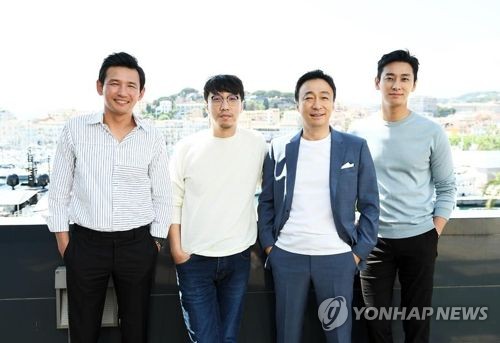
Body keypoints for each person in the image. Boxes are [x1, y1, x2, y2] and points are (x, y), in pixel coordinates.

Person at [46, 52, 172, 343]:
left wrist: (154, 243)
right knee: (83, 329)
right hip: (86, 245)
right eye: (114, 83)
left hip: (138, 245)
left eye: (131, 85)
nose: (122, 92)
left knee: (136, 328)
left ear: (141, 93)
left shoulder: (151, 136)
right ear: (100, 86)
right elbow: (58, 193)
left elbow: (163, 194)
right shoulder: (75, 130)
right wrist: (67, 246)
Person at [258, 70, 380, 343]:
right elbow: (266, 201)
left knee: (339, 337)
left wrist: (358, 253)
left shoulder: (355, 147)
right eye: (308, 97)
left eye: (324, 97)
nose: (317, 104)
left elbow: (371, 205)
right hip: (287, 255)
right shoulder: (278, 148)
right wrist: (270, 247)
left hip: (337, 258)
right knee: (286, 335)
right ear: (297, 104)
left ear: (333, 103)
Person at [351, 49, 457, 343]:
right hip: (373, 241)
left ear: (413, 85)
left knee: (417, 322)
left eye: (404, 78)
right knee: (375, 325)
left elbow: (447, 186)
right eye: (390, 78)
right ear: (377, 82)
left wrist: (433, 231)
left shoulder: (432, 131)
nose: (396, 84)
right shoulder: (359, 132)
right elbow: (347, 189)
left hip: (420, 239)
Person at [168, 74, 267, 342]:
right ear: (206, 105)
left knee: (229, 338)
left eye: (232, 99)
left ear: (242, 105)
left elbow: (270, 192)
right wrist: (177, 251)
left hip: (238, 257)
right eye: (217, 99)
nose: (225, 106)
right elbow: (172, 200)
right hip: (194, 259)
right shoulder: (186, 148)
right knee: (205, 338)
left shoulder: (257, 144)